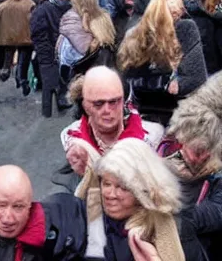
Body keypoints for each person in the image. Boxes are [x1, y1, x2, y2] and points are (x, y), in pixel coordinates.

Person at [77, 138, 188, 261]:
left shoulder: (170, 232)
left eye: (123, 188)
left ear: (142, 194)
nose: (110, 194)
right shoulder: (86, 217)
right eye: (106, 183)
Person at [60, 67, 163, 183]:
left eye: (113, 102)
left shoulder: (152, 135)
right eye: (98, 103)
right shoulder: (72, 136)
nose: (107, 110)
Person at [118, 0, 207, 124]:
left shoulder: (132, 34)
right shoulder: (185, 28)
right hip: (175, 115)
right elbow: (197, 79)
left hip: (139, 113)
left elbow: (125, 78)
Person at [160, 72, 222, 259]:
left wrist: (178, 216)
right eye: (196, 149)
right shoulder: (164, 150)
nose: (201, 156)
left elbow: (217, 211)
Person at [56, 0, 115, 93]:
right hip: (105, 80)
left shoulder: (69, 24)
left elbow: (65, 65)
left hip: (83, 85)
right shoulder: (105, 18)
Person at [30, 0, 72, 116]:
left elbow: (36, 33)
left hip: (47, 51)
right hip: (58, 50)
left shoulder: (42, 10)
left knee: (49, 83)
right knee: (61, 78)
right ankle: (59, 103)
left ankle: (47, 111)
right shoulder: (71, 10)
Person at [0, 0, 35, 95]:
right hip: (26, 38)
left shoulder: (6, 5)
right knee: (23, 60)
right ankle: (22, 79)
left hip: (8, 37)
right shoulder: (30, 4)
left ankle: (5, 70)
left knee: (8, 54)